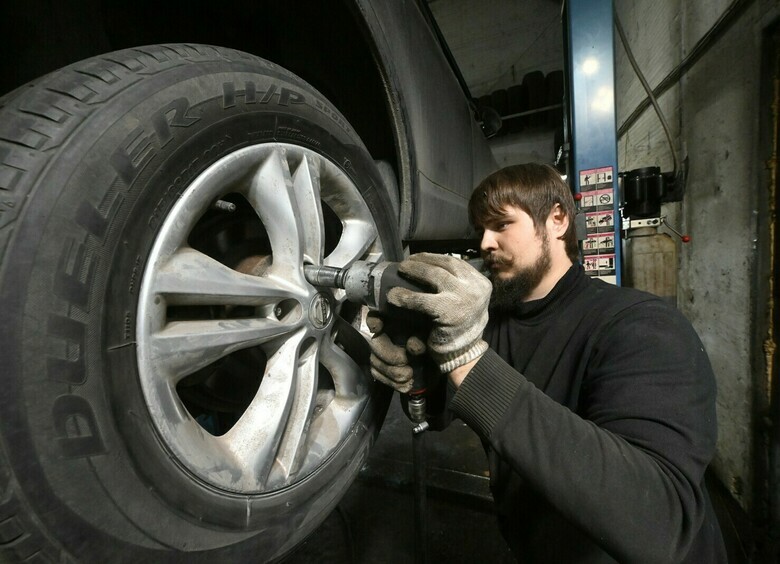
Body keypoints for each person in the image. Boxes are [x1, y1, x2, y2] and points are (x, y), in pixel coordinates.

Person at [368, 163, 726, 563]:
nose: (485, 242)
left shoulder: (641, 325)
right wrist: (420, 378)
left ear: (557, 220)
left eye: (501, 224)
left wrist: (465, 359)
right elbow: (442, 414)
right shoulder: (493, 322)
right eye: (481, 229)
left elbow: (659, 521)